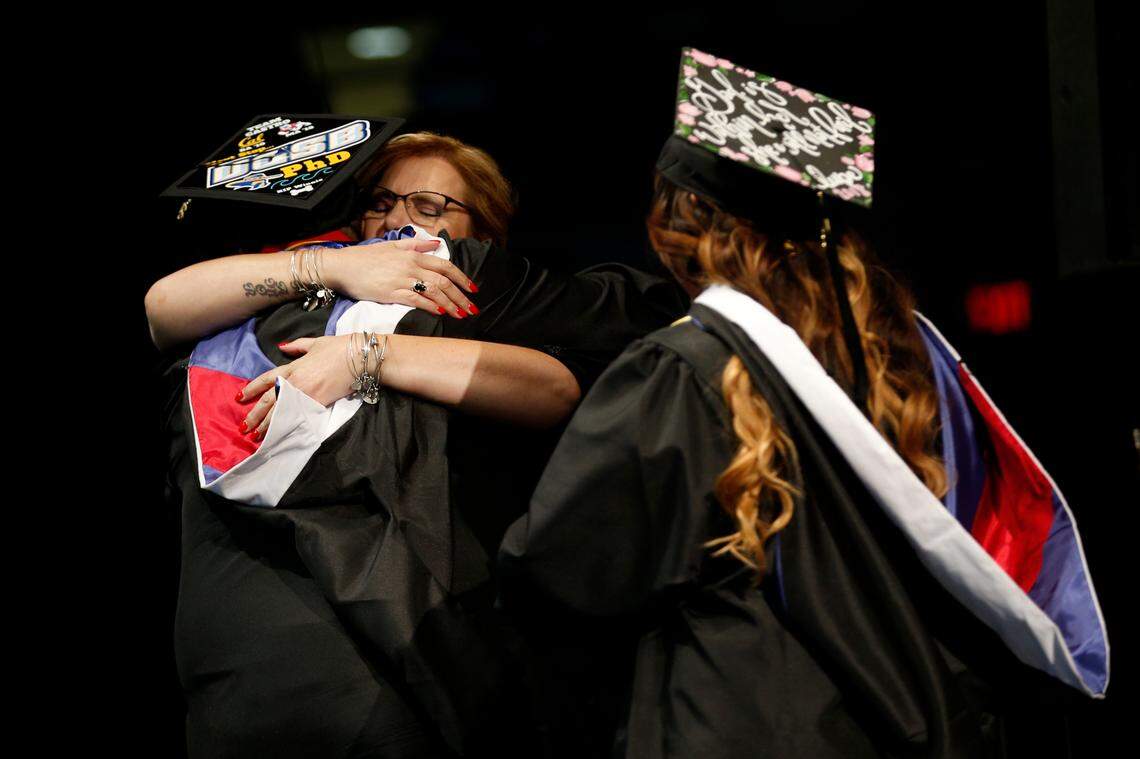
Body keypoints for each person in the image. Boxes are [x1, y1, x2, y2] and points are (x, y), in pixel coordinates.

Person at [498, 49, 1109, 758]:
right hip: (913, 716)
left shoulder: (685, 370)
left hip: (740, 716)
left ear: (683, 216)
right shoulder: (905, 362)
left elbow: (562, 571)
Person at [151, 130, 687, 757]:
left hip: (379, 647)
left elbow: (558, 386)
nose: (399, 220)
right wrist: (332, 265)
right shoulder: (296, 287)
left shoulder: (462, 289)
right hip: (235, 633)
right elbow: (164, 307)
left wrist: (367, 354)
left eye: (430, 207)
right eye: (380, 202)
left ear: (482, 234)